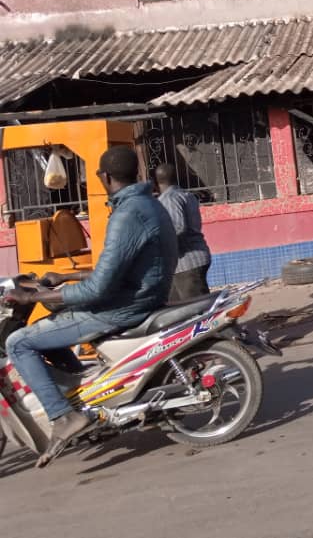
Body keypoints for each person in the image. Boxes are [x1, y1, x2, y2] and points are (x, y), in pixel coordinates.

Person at [3, 146, 178, 467]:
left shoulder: (127, 214)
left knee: (19, 342)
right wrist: (63, 276)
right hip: (138, 296)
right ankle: (83, 392)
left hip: (120, 307)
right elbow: (112, 268)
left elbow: (99, 286)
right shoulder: (146, 204)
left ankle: (62, 417)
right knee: (53, 320)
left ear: (104, 177)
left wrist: (32, 298)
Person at [155, 163, 212, 302]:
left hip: (186, 263)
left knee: (197, 311)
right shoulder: (186, 195)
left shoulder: (169, 199)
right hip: (188, 261)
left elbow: (178, 227)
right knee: (174, 310)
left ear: (155, 181)